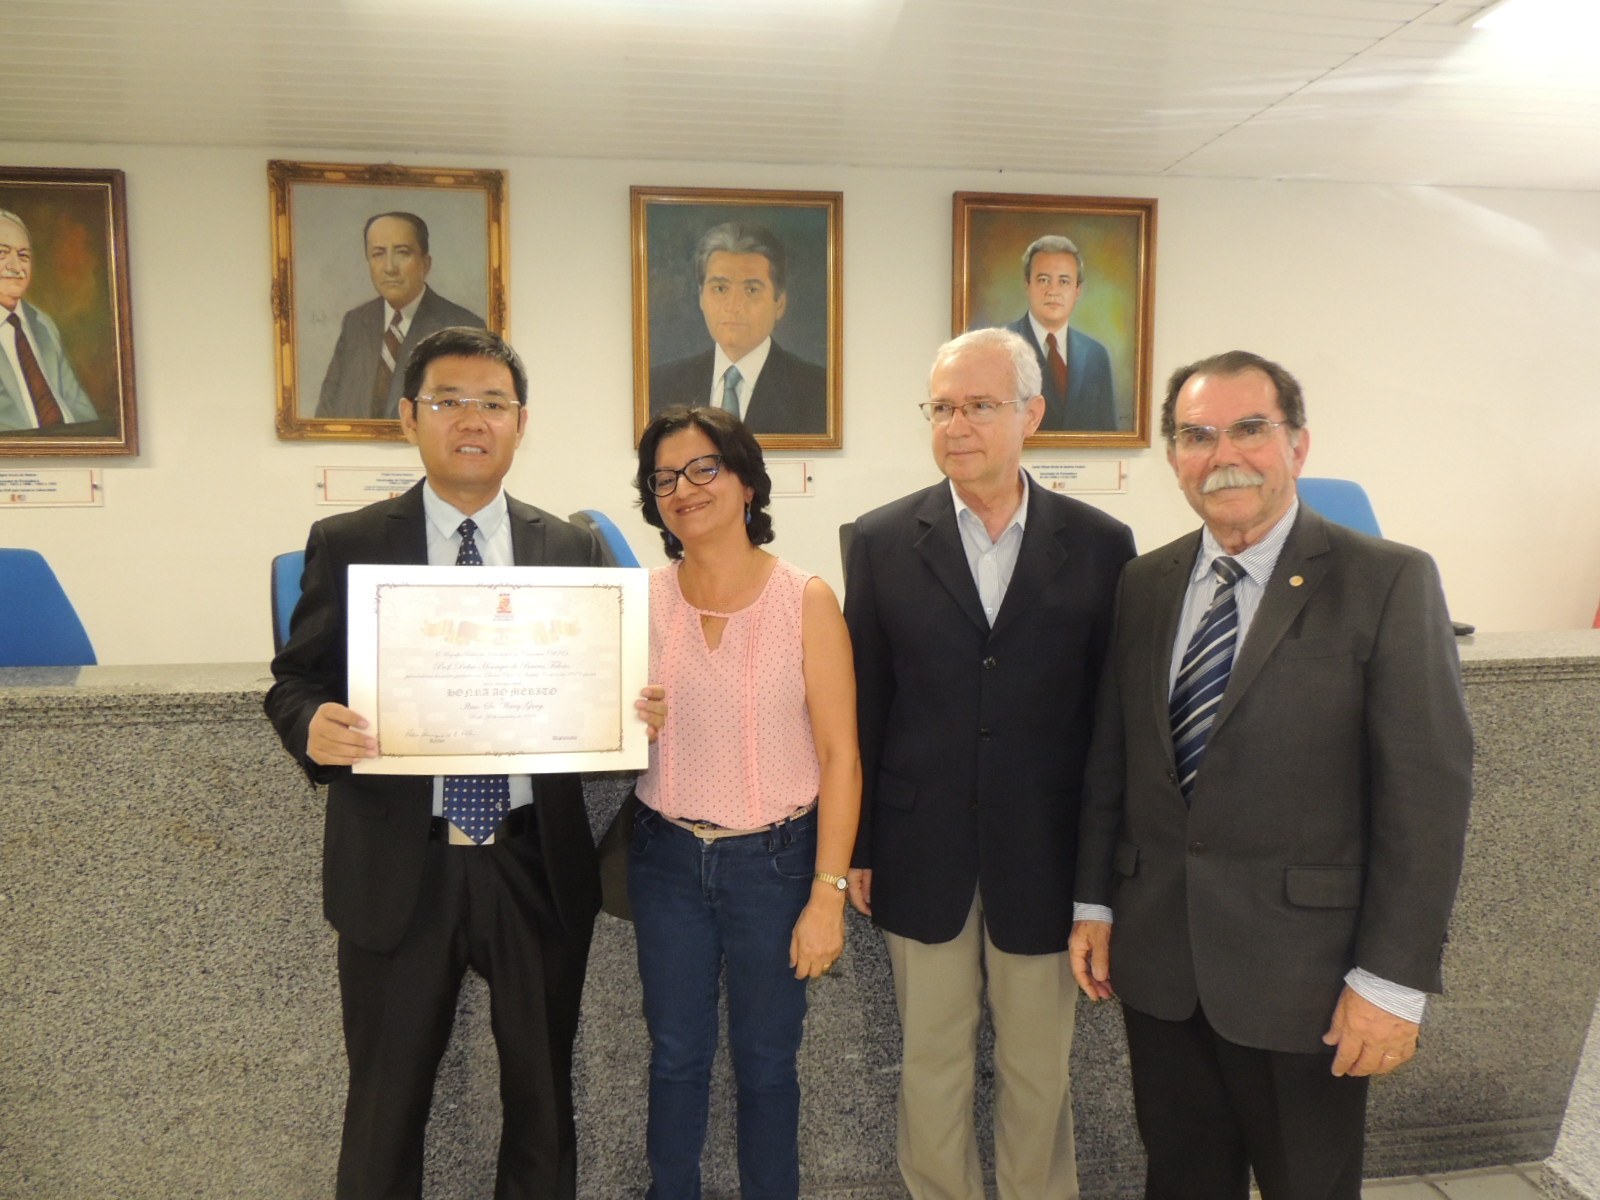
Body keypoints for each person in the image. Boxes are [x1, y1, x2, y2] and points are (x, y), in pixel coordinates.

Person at [266, 326, 665, 1200]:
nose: (472, 420)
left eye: (493, 403)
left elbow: (607, 681)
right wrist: (311, 726)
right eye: (448, 401)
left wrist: (633, 708)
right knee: (385, 1106)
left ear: (521, 423)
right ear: (410, 418)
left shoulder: (571, 548)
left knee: (543, 1102)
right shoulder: (348, 541)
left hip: (533, 859)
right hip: (399, 865)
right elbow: (294, 680)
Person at [1070, 350, 1473, 1199]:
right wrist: (1096, 901)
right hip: (1163, 965)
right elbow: (1114, 758)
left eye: (1250, 429)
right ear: (1174, 456)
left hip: (1308, 981)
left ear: (1298, 444)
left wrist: (1391, 982)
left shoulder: (1388, 580)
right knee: (1181, 1181)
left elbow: (1426, 800)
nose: (1224, 455)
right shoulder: (1145, 582)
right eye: (1197, 435)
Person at [843, 327, 1134, 1200]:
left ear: (1031, 414)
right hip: (919, 846)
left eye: (978, 405)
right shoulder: (880, 540)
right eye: (942, 408)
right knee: (930, 1061)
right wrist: (860, 847)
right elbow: (866, 704)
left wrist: (1100, 876)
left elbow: (1110, 725)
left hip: (1045, 852)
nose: (956, 425)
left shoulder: (1101, 544)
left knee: (1038, 1069)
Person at [628, 405, 860, 1199]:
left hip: (775, 864)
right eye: (664, 478)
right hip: (666, 859)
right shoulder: (639, 602)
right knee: (674, 1058)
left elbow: (841, 756)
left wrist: (827, 895)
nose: (683, 489)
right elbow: (602, 729)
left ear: (747, 482)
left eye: (704, 468)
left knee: (767, 1063)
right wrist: (628, 722)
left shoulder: (806, 599)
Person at [648, 223, 827, 436]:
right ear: (701, 298)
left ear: (779, 303)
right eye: (720, 289)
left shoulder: (819, 389)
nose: (733, 306)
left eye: (751, 290)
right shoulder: (660, 385)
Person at [315, 211, 486, 420]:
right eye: (378, 254)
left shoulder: (463, 327)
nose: (389, 268)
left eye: (402, 253)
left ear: (425, 263)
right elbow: (327, 411)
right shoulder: (356, 322)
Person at [1003, 234, 1117, 432]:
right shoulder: (1001, 348)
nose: (1053, 291)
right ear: (1027, 284)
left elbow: (1109, 435)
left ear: (1078, 290)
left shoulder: (1096, 355)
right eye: (1043, 280)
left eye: (1063, 281)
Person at [0, 208, 99, 431]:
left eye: (23, 255)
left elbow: (79, 405)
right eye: (2, 253)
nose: (16, 266)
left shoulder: (43, 323)